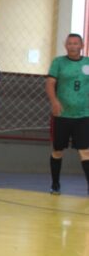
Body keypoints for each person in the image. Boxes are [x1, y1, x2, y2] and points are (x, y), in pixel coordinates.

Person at [45, 33, 89, 195]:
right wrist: (54, 101)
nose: (72, 46)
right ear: (66, 46)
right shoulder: (58, 62)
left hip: (83, 115)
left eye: (75, 43)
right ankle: (55, 183)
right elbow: (50, 84)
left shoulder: (88, 63)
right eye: (69, 43)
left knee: (85, 151)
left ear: (81, 46)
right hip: (62, 115)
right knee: (58, 150)